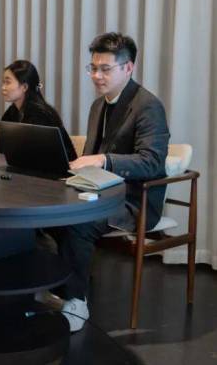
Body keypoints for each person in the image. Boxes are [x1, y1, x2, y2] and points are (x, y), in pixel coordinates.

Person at [48, 32, 169, 332]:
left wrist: (104, 160)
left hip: (134, 199)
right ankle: (58, 288)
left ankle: (77, 301)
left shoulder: (147, 106)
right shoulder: (98, 106)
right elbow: (91, 157)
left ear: (128, 68)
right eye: (93, 68)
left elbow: (152, 161)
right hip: (98, 189)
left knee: (77, 222)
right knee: (45, 214)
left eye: (105, 69)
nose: (97, 76)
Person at [0, 60, 77, 160]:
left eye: (7, 82)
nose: (3, 87)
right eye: (3, 82)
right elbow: (2, 150)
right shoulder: (11, 112)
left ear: (24, 87)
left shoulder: (42, 115)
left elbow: (42, 156)